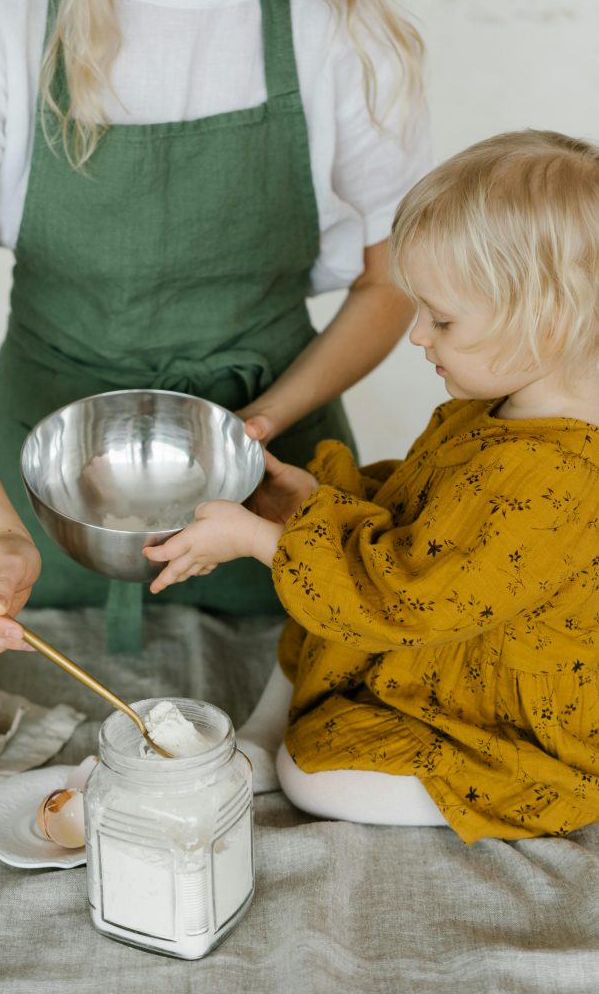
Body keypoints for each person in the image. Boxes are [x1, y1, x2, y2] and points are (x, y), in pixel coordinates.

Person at [0, 0, 429, 660]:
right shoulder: (1, 12)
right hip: (53, 496)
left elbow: (389, 281)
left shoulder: (341, 25)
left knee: (294, 688)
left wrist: (259, 428)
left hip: (272, 488)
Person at [145, 130, 599, 842]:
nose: (418, 336)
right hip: (429, 628)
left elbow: (407, 595)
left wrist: (261, 541)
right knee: (311, 600)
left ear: (547, 320)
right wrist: (300, 504)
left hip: (494, 711)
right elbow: (423, 507)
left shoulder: (561, 477)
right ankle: (267, 734)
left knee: (312, 777)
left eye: (442, 319)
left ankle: (488, 789)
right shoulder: (499, 408)